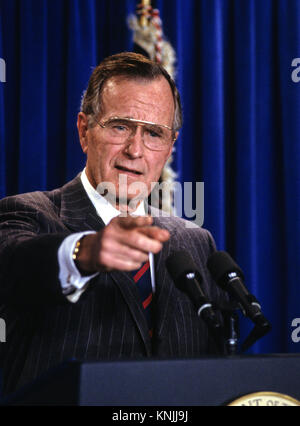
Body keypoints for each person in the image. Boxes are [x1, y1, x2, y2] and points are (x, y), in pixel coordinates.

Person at [0, 52, 226, 396]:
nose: (135, 149)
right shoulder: (27, 214)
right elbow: (16, 265)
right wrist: (85, 251)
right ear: (84, 131)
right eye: (120, 126)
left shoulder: (196, 243)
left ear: (169, 148)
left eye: (153, 133)